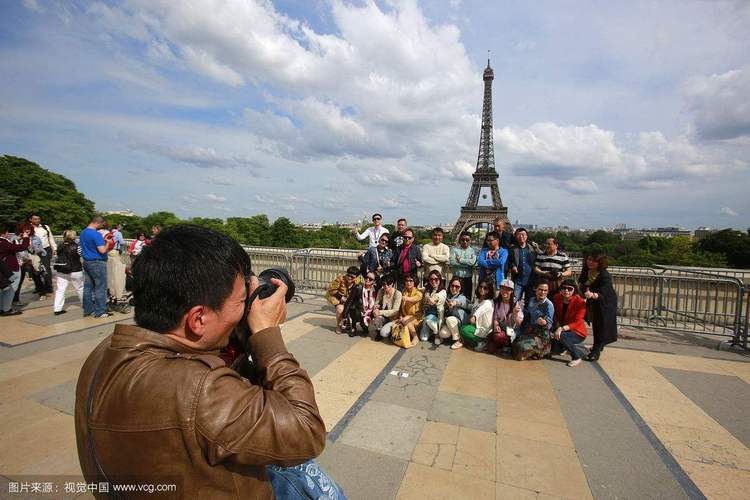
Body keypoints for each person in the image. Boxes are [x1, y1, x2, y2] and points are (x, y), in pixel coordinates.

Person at [74, 224, 342, 499]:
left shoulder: (106, 351)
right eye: (241, 301)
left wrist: (238, 334)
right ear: (198, 319)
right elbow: (305, 431)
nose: (246, 308)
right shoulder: (199, 389)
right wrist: (266, 336)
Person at [579, 250, 618, 361]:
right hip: (593, 302)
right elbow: (582, 282)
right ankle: (598, 346)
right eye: (589, 259)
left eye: (594, 261)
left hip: (605, 303)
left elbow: (605, 292)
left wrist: (593, 295)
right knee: (596, 324)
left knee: (601, 326)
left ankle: (596, 351)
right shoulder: (587, 270)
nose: (590, 262)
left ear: (600, 262)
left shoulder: (604, 274)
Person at [80, 215, 114, 318]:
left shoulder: (83, 232)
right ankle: (100, 311)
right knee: (100, 287)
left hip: (87, 261)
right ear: (98, 223)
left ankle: (88, 310)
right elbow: (102, 250)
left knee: (88, 287)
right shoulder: (96, 234)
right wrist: (107, 243)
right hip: (97, 262)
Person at [513, 280, 554, 361]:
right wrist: (517, 311)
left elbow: (549, 325)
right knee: (514, 343)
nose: (542, 292)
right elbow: (527, 315)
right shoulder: (532, 300)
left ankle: (541, 351)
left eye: (545, 290)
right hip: (529, 331)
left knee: (521, 348)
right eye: (540, 289)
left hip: (541, 336)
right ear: (536, 289)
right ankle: (533, 353)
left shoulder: (549, 305)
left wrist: (544, 322)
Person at [551, 279, 588, 367]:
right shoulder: (557, 297)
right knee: (555, 348)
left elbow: (577, 322)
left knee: (562, 336)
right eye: (564, 288)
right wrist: (557, 325)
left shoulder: (580, 302)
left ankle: (576, 357)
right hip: (561, 328)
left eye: (569, 289)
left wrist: (561, 328)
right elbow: (554, 313)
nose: (566, 290)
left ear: (574, 290)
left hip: (577, 332)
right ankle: (565, 347)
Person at [453, 279, 495, 351]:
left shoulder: (489, 302)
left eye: (485, 288)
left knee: (463, 329)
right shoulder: (478, 299)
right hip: (476, 325)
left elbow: (481, 310)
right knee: (463, 326)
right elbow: (471, 307)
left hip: (483, 330)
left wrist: (474, 317)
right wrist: (457, 303)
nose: (482, 289)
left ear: (489, 290)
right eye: (480, 287)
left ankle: (483, 341)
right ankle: (475, 341)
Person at [0, 222, 31, 316]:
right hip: (10, 268)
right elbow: (22, 247)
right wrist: (26, 237)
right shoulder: (3, 242)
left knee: (4, 289)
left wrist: (18, 239)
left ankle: (2, 308)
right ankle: (7, 309)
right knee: (11, 289)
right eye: (7, 232)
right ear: (4, 233)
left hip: (3, 268)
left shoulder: (4, 242)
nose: (8, 233)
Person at [487, 278, 524, 355]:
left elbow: (518, 323)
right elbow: (496, 318)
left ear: (512, 291)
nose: (505, 291)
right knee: (490, 348)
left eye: (508, 289)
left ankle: (507, 345)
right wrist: (496, 325)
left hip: (512, 332)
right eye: (503, 288)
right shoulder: (497, 303)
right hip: (502, 329)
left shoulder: (516, 304)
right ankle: (501, 346)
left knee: (498, 337)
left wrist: (515, 313)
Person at [52, 230, 84, 316]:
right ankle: (85, 304)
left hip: (62, 269)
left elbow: (56, 255)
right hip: (75, 269)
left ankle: (57, 309)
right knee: (80, 288)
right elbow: (82, 255)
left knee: (60, 289)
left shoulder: (60, 246)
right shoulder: (77, 246)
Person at [386, 274, 423, 347]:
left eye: (411, 281)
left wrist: (405, 298)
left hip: (416, 318)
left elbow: (414, 299)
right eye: (407, 280)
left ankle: (415, 337)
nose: (408, 282)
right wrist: (400, 316)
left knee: (405, 320)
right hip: (404, 317)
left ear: (414, 282)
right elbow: (400, 308)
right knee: (386, 331)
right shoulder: (404, 291)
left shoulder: (418, 293)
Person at [325, 265, 361, 334]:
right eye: (348, 275)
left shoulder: (357, 282)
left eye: (352, 277)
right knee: (340, 309)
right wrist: (341, 297)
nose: (349, 278)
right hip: (337, 298)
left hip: (349, 300)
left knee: (352, 309)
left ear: (356, 277)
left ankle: (348, 323)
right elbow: (332, 290)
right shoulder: (340, 279)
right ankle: (338, 326)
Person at [342, 271, 377, 336]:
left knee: (365, 328)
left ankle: (364, 324)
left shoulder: (376, 290)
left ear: (374, 281)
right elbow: (349, 301)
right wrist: (345, 315)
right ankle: (353, 327)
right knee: (355, 312)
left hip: (368, 313)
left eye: (370, 279)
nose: (367, 279)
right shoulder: (358, 287)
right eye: (366, 277)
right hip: (358, 310)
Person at [437, 277, 470, 346]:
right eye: (452, 286)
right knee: (443, 334)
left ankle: (459, 339)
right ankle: (453, 335)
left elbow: (459, 301)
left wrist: (453, 303)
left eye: (457, 287)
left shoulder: (462, 297)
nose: (454, 288)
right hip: (451, 323)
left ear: (460, 288)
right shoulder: (447, 296)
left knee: (450, 319)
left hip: (460, 322)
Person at [368, 275, 402, 340]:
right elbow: (376, 304)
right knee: (376, 321)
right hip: (383, 317)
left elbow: (395, 311)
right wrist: (376, 309)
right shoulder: (381, 291)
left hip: (393, 319)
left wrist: (380, 312)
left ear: (392, 284)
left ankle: (389, 331)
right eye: (383, 284)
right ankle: (379, 330)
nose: (386, 286)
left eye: (388, 284)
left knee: (383, 333)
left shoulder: (398, 294)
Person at [30, 214, 56, 296]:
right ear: (30, 220)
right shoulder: (28, 228)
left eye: (38, 218)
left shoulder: (45, 227)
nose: (37, 220)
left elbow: (50, 237)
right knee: (35, 270)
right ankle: (39, 287)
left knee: (46, 268)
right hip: (34, 251)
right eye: (35, 219)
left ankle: (48, 287)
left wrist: (54, 248)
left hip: (46, 249)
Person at [508, 227, 536, 303]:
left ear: (527, 236)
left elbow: (541, 256)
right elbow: (509, 261)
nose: (521, 237)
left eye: (523, 235)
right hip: (518, 281)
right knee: (515, 302)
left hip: (531, 281)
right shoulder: (512, 249)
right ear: (515, 237)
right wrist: (513, 266)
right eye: (518, 235)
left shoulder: (533, 248)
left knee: (529, 304)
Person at [419, 270, 446, 342]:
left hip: (436, 316)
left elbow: (439, 296)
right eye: (431, 279)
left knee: (428, 319)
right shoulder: (427, 289)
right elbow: (419, 290)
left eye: (436, 279)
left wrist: (433, 300)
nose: (433, 281)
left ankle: (437, 333)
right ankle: (433, 331)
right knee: (423, 338)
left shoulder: (442, 291)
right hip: (425, 315)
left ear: (440, 280)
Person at [449, 231, 477, 301]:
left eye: (467, 240)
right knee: (453, 297)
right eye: (463, 240)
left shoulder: (473, 251)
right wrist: (467, 263)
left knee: (467, 299)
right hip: (456, 278)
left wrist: (460, 260)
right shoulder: (454, 250)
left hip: (467, 279)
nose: (465, 241)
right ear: (459, 240)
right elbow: (452, 262)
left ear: (470, 241)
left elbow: (472, 262)